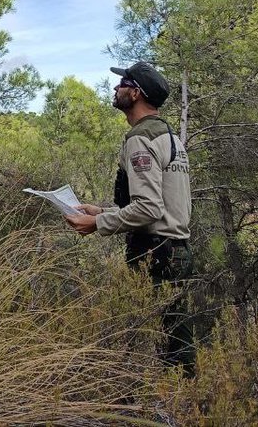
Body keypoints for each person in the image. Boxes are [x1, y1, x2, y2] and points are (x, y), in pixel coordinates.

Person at [63, 60, 196, 375]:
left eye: (122, 83)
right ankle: (185, 403)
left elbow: (149, 209)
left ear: (136, 93)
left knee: (157, 343)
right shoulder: (169, 137)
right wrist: (103, 212)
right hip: (175, 250)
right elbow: (158, 207)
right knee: (177, 340)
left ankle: (168, 407)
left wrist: (98, 223)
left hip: (156, 253)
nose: (115, 88)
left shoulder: (141, 139)